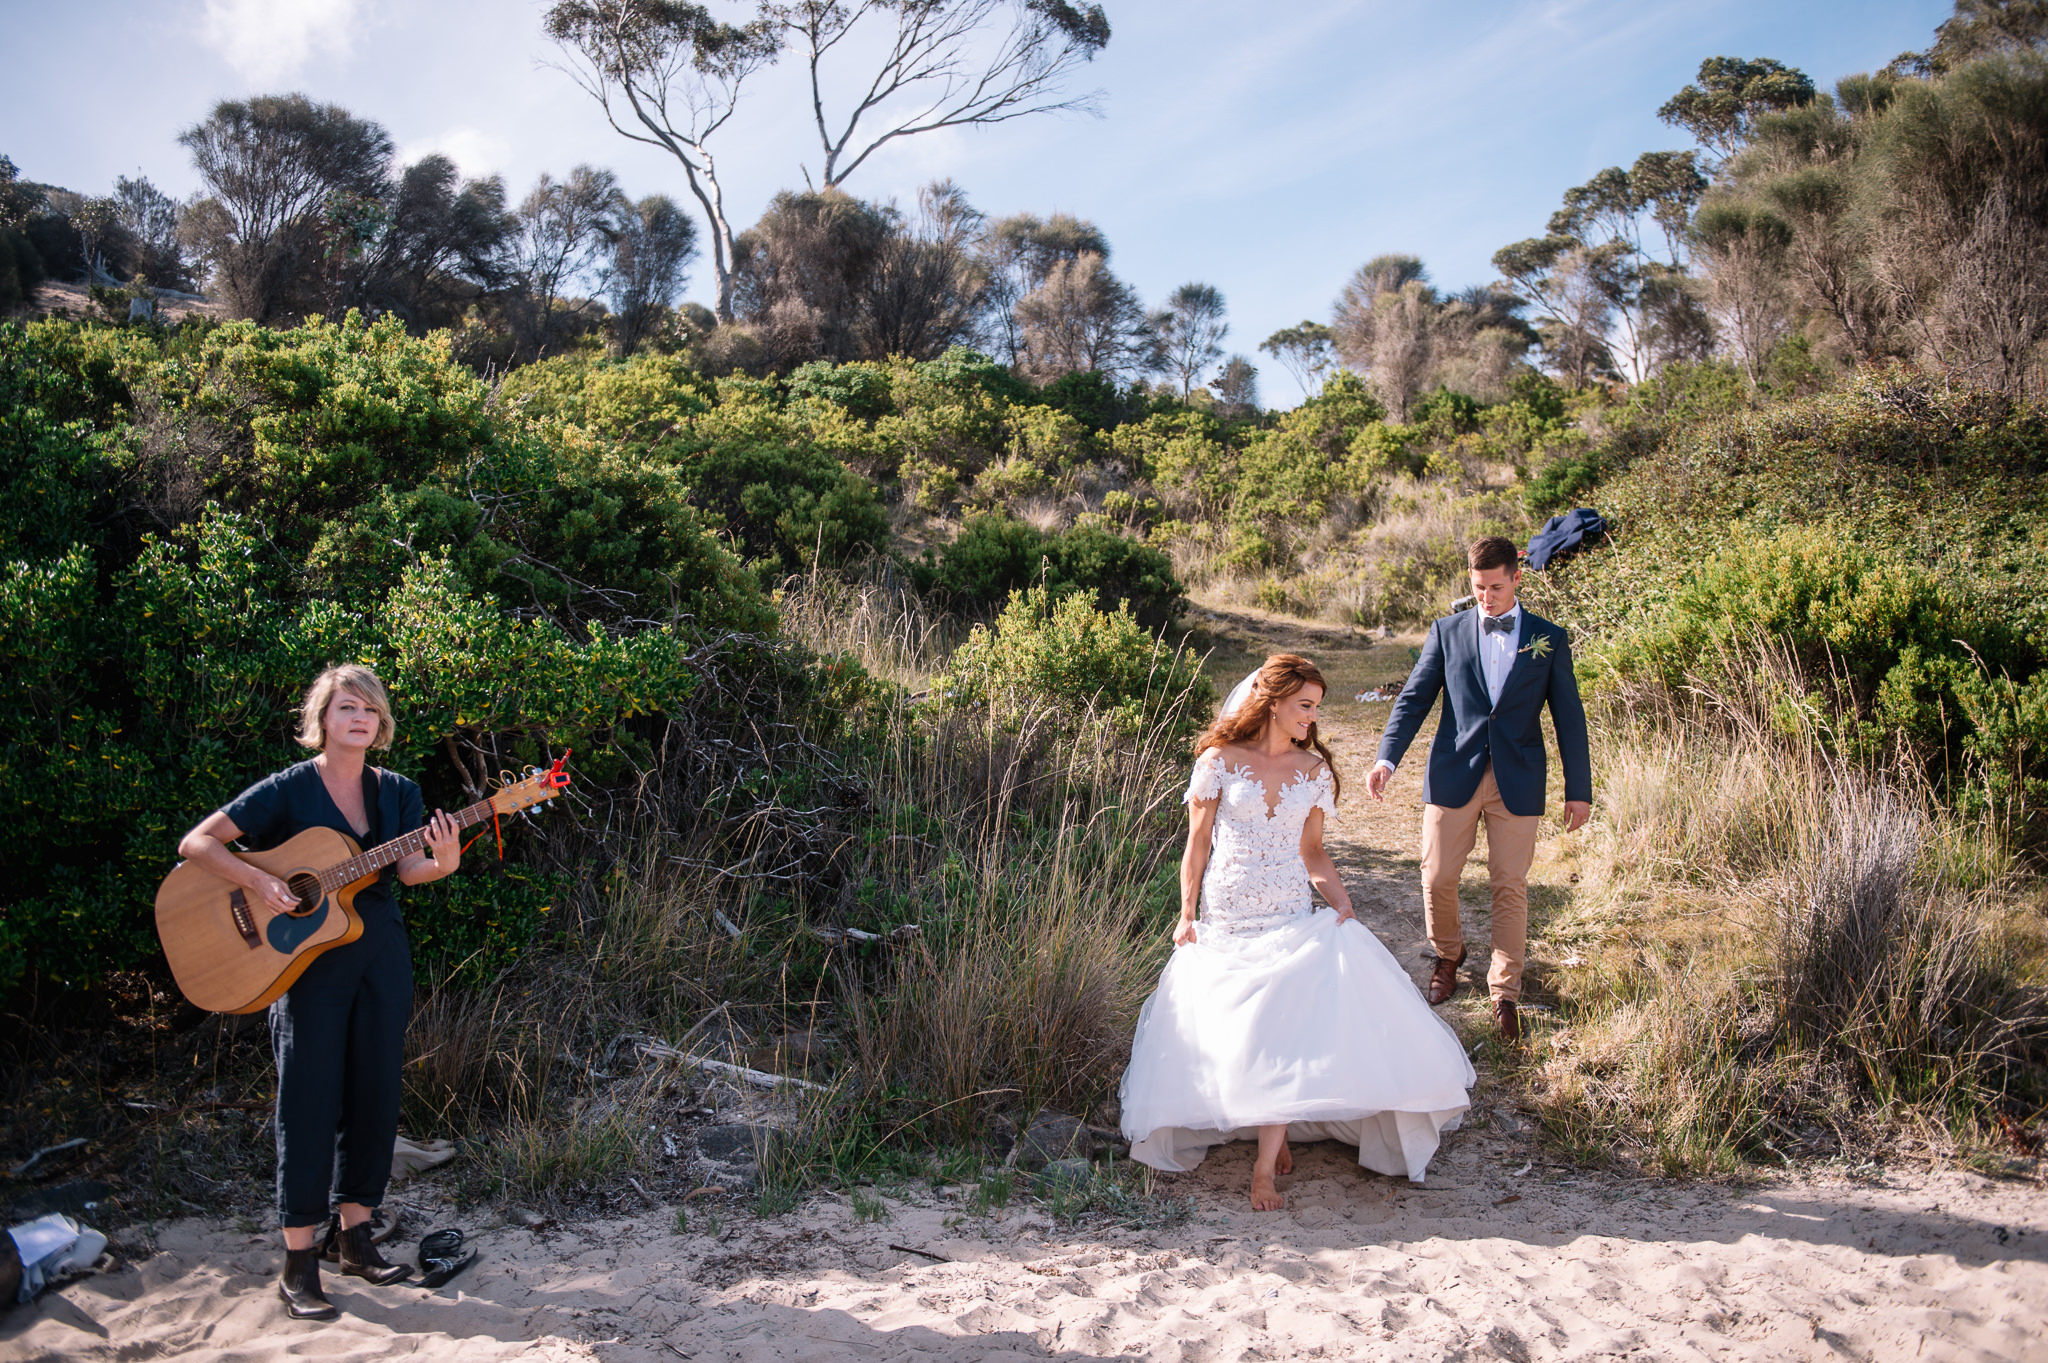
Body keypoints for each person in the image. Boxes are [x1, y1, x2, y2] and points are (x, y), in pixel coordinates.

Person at [1120, 654, 1475, 1211]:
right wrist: (1186, 913)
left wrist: (1343, 905)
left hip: (1287, 908)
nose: (1312, 717)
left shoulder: (1313, 772)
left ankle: (1266, 1165)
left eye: (1316, 707)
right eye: (1304, 706)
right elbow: (1198, 844)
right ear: (1272, 701)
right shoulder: (1217, 761)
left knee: (1283, 1023)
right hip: (1229, 907)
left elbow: (1313, 852)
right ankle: (1271, 1131)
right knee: (1241, 1026)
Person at [176, 665, 462, 1321]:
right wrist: (257, 879)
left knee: (375, 1092)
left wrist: (443, 860)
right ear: (323, 719)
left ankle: (356, 1237)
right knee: (307, 1099)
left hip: (380, 952)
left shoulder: (399, 792)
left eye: (369, 709)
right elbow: (197, 842)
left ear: (380, 723)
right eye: (345, 707)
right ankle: (299, 1264)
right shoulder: (290, 788)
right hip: (306, 964)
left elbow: (409, 869)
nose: (359, 718)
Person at [1368, 536, 1592, 1042]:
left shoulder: (1548, 638)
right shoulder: (1447, 632)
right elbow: (1413, 699)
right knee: (1437, 874)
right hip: (1454, 771)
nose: (1486, 598)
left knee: (1509, 884)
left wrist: (1578, 789)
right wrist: (1387, 758)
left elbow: (1569, 718)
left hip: (1520, 776)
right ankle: (1449, 953)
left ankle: (1505, 991)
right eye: (1477, 588)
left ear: (1517, 578)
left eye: (1495, 587)